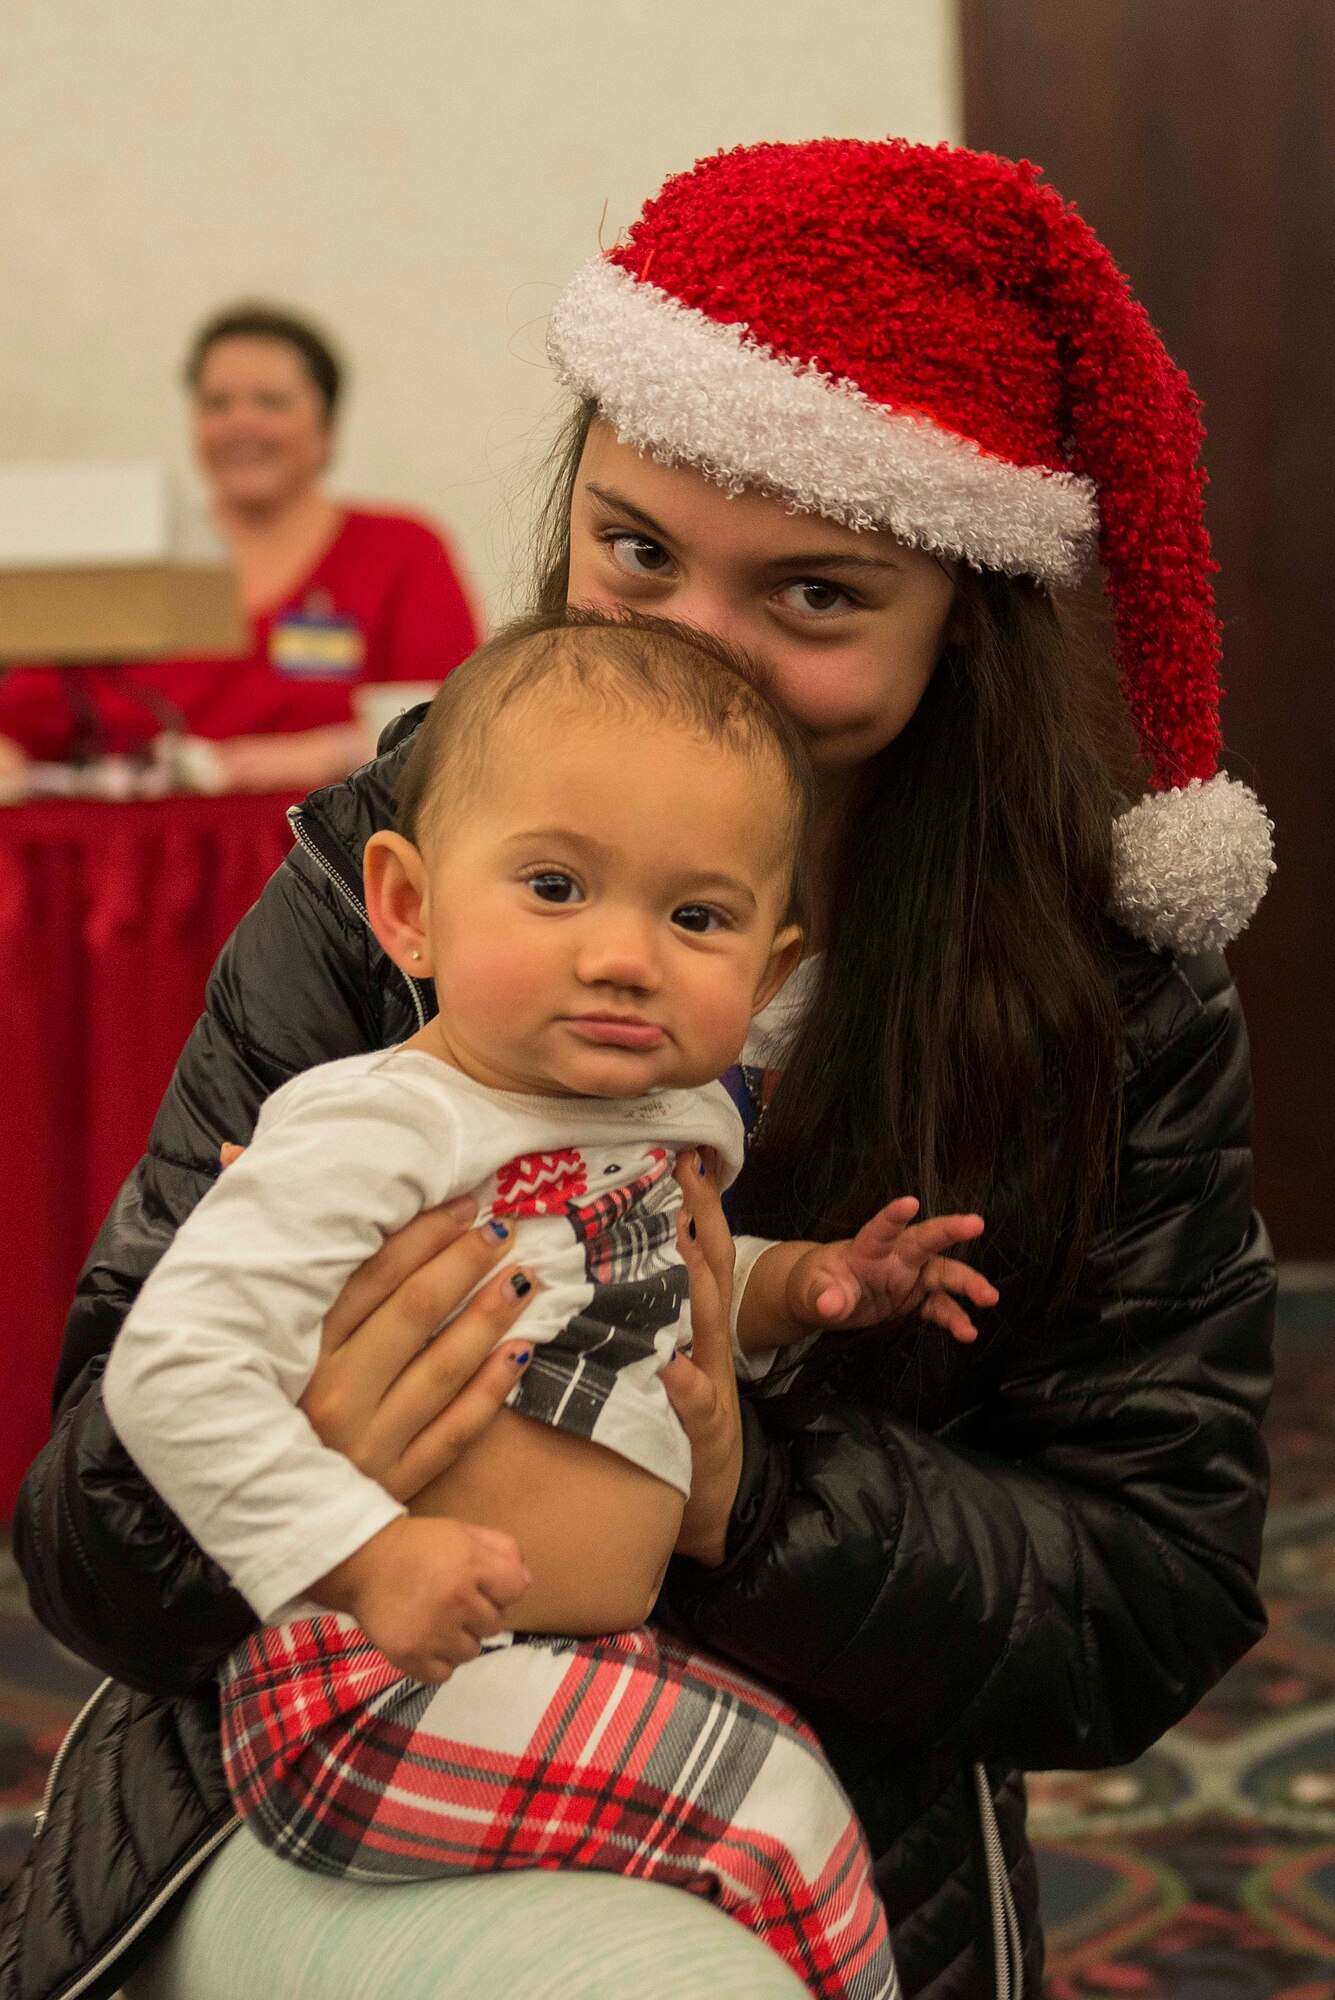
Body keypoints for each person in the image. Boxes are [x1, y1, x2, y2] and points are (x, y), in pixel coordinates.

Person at [7, 140, 1275, 2000]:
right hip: (309, 1755)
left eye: (819, 596)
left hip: (829, 1794)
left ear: (965, 618)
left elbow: (1147, 1597)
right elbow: (84, 1530)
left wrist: (741, 1485)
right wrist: (326, 1474)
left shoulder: (1105, 994)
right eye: (639, 551)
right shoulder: (395, 873)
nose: (704, 657)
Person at [102, 614, 994, 2000]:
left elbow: (656, 1288)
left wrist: (801, 1286)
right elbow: (166, 1368)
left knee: (794, 1816)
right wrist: (361, 1555)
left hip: (543, 1658)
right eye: (557, 887)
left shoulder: (667, 1119)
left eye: (694, 917)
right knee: (781, 1827)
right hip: (365, 1679)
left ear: (764, 974)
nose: (626, 956)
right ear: (404, 907)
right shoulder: (380, 1126)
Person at [0, 304, 479, 792]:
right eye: (217, 404)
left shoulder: (401, 552)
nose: (240, 424)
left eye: (270, 402)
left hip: (330, 853)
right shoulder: (127, 560)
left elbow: (450, 722)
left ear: (327, 425)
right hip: (132, 860)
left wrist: (328, 751)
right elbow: (22, 728)